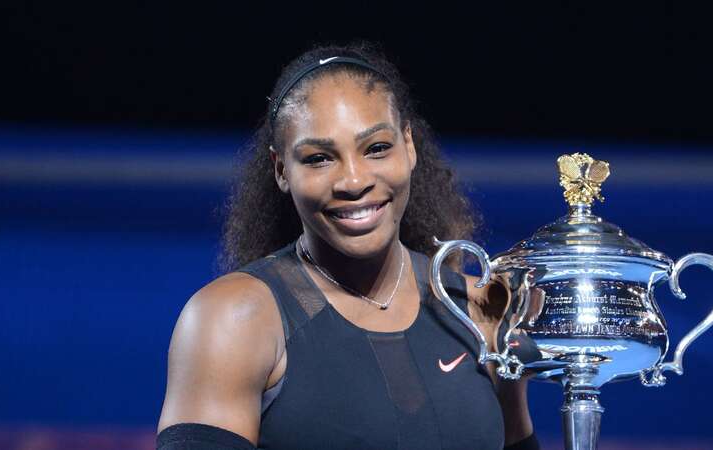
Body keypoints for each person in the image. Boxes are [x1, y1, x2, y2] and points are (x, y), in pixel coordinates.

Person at [156, 42, 541, 450]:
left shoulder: (481, 310)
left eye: (376, 148)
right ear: (282, 170)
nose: (354, 181)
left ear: (408, 146)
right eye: (319, 158)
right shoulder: (234, 319)